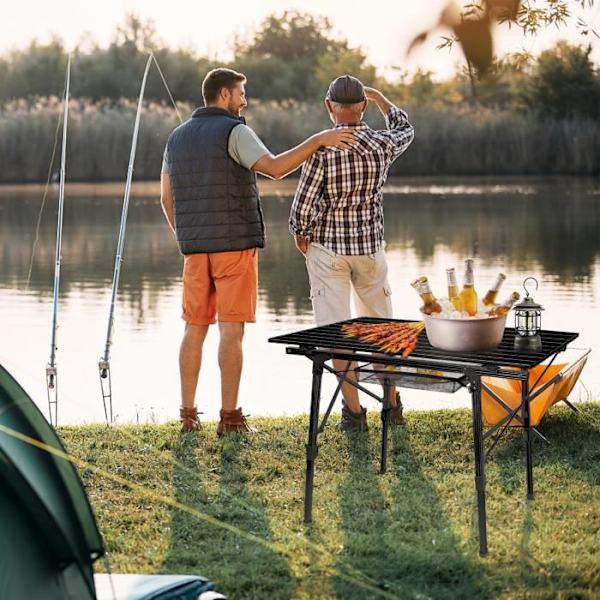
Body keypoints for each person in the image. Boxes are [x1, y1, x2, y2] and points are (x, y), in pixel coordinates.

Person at [160, 68, 356, 435]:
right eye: (240, 93)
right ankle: (230, 418)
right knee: (230, 334)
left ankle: (188, 416)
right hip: (234, 250)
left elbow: (166, 198)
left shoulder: (175, 138)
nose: (244, 100)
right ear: (223, 95)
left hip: (194, 251)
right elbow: (276, 168)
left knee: (194, 329)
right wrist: (319, 140)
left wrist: (186, 237)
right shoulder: (235, 131)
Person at [289, 75, 414, 432]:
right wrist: (380, 99)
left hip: (328, 250)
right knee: (382, 329)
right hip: (370, 249)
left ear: (329, 107)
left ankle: (354, 412)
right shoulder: (382, 143)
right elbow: (406, 130)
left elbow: (304, 203)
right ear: (361, 107)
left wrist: (301, 233)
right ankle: (391, 407)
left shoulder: (322, 148)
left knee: (336, 332)